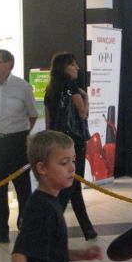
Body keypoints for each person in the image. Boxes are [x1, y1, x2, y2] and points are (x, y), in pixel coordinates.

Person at [7, 130, 103, 262]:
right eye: (63, 163)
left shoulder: (51, 203)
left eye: (73, 161)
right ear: (42, 168)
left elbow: (49, 251)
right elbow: (20, 253)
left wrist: (82, 254)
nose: (72, 168)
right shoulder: (41, 208)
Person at [0, 49, 38, 244]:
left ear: (9, 64)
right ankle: (0, 231)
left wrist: (22, 134)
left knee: (22, 186)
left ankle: (26, 226)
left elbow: (33, 114)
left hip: (17, 141)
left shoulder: (22, 87)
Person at [44, 52, 98, 240]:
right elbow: (83, 114)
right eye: (72, 65)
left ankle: (88, 229)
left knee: (73, 186)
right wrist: (86, 98)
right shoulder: (72, 87)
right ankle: (50, 225)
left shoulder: (50, 89)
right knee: (71, 185)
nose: (77, 68)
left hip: (58, 142)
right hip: (74, 143)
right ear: (64, 68)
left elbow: (48, 121)